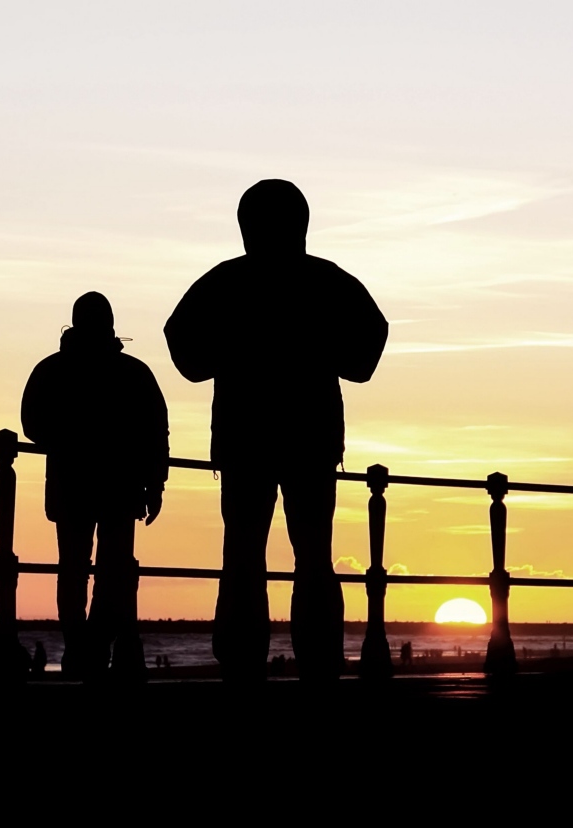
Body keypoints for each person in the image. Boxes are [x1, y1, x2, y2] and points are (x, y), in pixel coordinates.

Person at [165, 180, 387, 683]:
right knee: (311, 550)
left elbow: (181, 343)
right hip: (310, 438)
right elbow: (369, 345)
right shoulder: (327, 281)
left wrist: (228, 355)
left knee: (244, 549)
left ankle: (243, 657)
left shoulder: (226, 281)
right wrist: (322, 353)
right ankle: (318, 655)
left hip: (246, 439)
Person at [21, 292, 169, 681]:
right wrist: (155, 485)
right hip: (119, 489)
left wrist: (68, 440)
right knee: (108, 572)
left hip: (74, 487)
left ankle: (80, 646)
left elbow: (32, 424)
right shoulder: (134, 373)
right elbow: (157, 433)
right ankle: (94, 647)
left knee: (75, 570)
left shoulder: (52, 370)